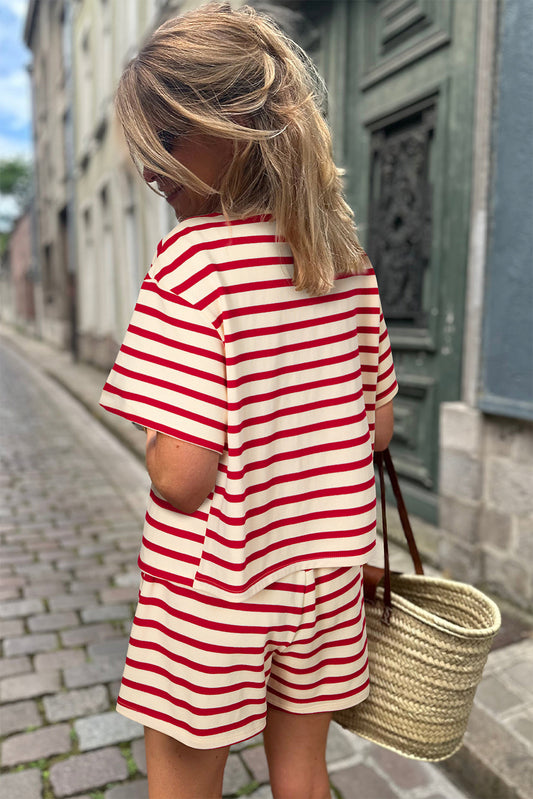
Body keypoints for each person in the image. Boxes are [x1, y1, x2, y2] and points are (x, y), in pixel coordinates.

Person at [100, 4, 397, 798]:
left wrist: (165, 429)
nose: (149, 166)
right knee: (303, 774)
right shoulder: (344, 260)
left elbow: (182, 476)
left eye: (167, 137)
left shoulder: (193, 263)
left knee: (183, 777)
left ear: (237, 127)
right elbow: (376, 428)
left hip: (217, 582)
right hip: (324, 576)